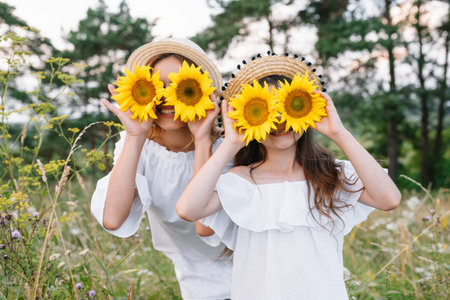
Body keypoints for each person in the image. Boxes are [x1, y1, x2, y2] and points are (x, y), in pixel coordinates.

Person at [176, 53, 401, 300]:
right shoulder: (242, 180)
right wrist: (231, 143)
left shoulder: (330, 173)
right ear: (248, 119)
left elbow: (388, 199)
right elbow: (188, 209)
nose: (279, 121)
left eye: (287, 106)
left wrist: (338, 132)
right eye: (264, 110)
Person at [90, 38, 232, 300]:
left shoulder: (227, 147)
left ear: (202, 90)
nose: (167, 97)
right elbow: (112, 218)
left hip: (252, 270)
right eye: (159, 86)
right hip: (196, 282)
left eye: (182, 87)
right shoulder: (139, 146)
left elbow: (205, 224)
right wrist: (135, 136)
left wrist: (202, 141)